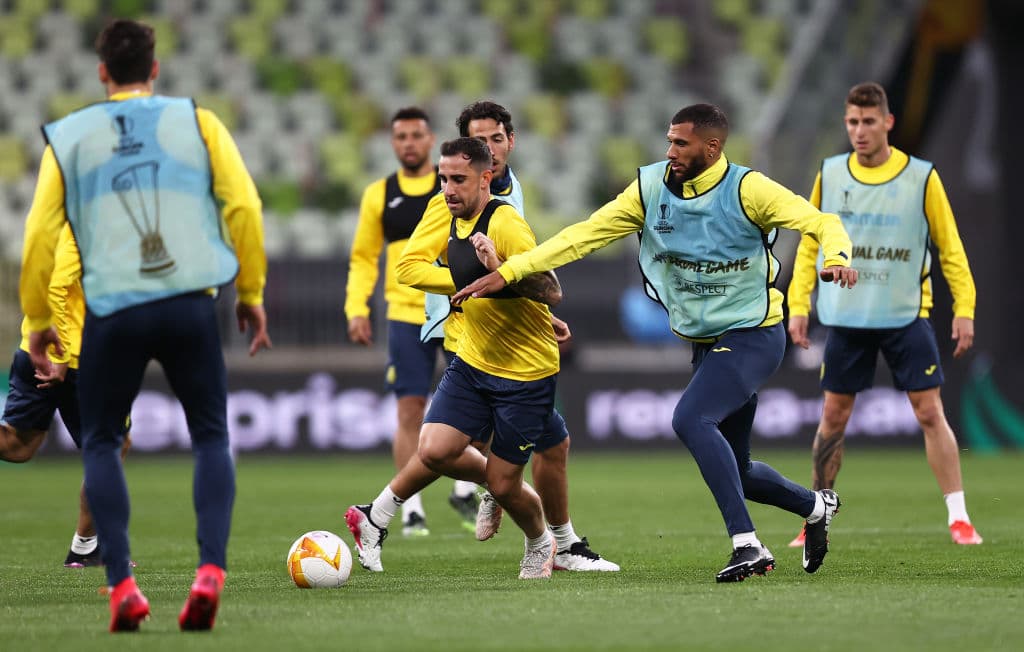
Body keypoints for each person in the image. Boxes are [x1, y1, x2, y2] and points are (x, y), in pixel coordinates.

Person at [453, 103, 858, 583]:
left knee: (690, 418)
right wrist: (512, 270)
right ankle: (815, 507)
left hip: (755, 332)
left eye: (680, 143)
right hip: (706, 342)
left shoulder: (749, 189)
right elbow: (583, 236)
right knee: (740, 470)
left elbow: (822, 222)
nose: (670, 151)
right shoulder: (648, 190)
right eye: (668, 141)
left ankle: (746, 544)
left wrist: (836, 255)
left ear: (713, 147)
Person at [19, 19, 271, 632]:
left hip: (113, 307)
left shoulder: (71, 137)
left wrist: (36, 320)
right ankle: (209, 571)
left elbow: (39, 234)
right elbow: (245, 205)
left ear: (102, 71)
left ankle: (123, 588)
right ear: (155, 69)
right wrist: (251, 290)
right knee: (211, 436)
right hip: (188, 301)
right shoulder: (197, 122)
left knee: (101, 442)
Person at [346, 102, 618, 574]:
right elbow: (414, 267)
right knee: (439, 447)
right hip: (469, 344)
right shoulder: (445, 207)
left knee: (545, 452)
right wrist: (473, 280)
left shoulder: (509, 210)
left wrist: (515, 292)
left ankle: (549, 537)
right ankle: (386, 514)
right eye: (445, 178)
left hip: (523, 361)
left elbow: (542, 283)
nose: (489, 152)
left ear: (506, 146)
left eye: (495, 140)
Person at [786, 82, 982, 547]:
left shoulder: (921, 177)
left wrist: (965, 307)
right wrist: (798, 304)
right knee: (833, 417)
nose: (859, 131)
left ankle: (959, 517)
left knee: (929, 411)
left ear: (887, 123)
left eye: (868, 121)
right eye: (852, 122)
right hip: (847, 319)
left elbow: (950, 247)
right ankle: (815, 517)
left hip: (905, 316)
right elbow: (809, 240)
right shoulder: (831, 174)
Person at [345, 107, 479, 537]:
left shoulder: (455, 186)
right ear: (392, 142)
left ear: (429, 139)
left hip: (456, 306)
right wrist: (356, 307)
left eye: (416, 135)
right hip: (405, 313)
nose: (408, 143)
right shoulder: (379, 194)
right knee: (409, 410)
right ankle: (411, 507)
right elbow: (364, 256)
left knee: (477, 405)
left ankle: (462, 487)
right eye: (400, 136)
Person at [2, 224, 131, 568]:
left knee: (17, 445)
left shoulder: (67, 219)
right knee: (112, 445)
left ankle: (87, 546)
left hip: (37, 348)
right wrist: (59, 358)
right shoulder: (82, 223)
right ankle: (86, 546)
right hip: (70, 358)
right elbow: (58, 284)